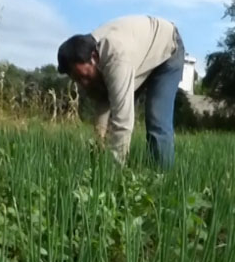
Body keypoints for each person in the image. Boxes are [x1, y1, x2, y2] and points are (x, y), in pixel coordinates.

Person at [57, 15, 185, 168]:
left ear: (94, 57)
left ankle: (161, 175)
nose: (83, 83)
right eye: (77, 79)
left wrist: (113, 172)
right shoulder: (90, 54)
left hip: (167, 47)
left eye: (84, 76)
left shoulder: (116, 58)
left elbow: (123, 122)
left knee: (156, 119)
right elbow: (103, 101)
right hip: (139, 54)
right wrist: (98, 145)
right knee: (113, 108)